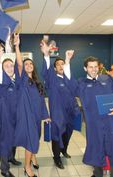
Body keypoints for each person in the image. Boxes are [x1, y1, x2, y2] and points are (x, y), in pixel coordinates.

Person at [72, 56, 113, 177]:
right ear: (85, 68)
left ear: (99, 67)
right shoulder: (81, 84)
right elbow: (68, 85)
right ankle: (97, 174)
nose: (94, 69)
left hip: (111, 121)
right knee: (96, 149)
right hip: (94, 123)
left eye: (96, 66)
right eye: (90, 67)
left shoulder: (108, 79)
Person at [14, 34, 51, 177]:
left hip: (36, 116)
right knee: (31, 140)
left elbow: (41, 101)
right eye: (26, 64)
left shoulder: (37, 82)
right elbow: (18, 63)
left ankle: (33, 157)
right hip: (26, 115)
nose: (28, 65)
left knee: (35, 137)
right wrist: (17, 46)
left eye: (30, 64)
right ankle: (27, 167)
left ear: (33, 67)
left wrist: (46, 115)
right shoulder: (22, 80)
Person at [40, 41, 80, 169]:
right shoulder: (52, 78)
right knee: (57, 134)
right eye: (58, 64)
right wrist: (46, 55)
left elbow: (76, 90)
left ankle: (64, 150)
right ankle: (56, 157)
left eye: (63, 64)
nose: (61, 66)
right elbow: (45, 72)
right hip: (58, 113)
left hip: (70, 112)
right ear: (55, 68)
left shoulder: (70, 78)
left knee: (67, 133)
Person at [0, 43, 21, 177]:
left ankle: (11, 157)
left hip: (16, 116)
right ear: (2, 69)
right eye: (6, 66)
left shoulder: (16, 81)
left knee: (14, 138)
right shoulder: (0, 81)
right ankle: (4, 169)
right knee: (4, 142)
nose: (9, 68)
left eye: (11, 66)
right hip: (4, 118)